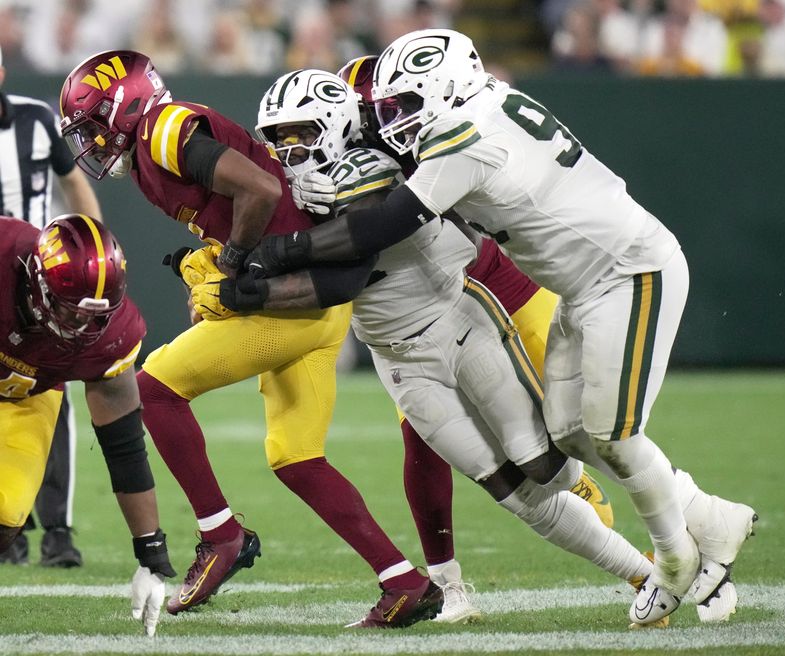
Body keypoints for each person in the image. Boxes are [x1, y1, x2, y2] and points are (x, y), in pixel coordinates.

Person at [241, 30, 758, 626]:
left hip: (625, 271)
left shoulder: (462, 141)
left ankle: (677, 562)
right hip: (573, 287)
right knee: (569, 432)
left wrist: (277, 255)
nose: (393, 122)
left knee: (609, 433)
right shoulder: (483, 104)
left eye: (405, 106)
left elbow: (384, 224)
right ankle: (708, 516)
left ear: (447, 90)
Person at [195, 68, 661, 620]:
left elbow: (347, 272)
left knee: (548, 467)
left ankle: (689, 520)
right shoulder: (291, 189)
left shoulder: (387, 164)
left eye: (300, 131)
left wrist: (259, 277)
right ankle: (645, 575)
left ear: (337, 120)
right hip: (398, 360)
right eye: (278, 136)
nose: (287, 149)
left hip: (460, 321)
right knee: (513, 492)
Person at [58, 50, 442, 628]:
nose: (89, 142)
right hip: (316, 304)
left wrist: (233, 266)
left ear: (126, 106)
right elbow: (252, 202)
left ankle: (221, 535)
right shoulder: (152, 148)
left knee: (154, 389)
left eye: (91, 126)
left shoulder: (165, 130)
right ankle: (404, 582)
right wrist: (216, 258)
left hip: (292, 302)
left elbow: (260, 190)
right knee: (296, 457)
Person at [337, 55, 614, 623]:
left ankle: (676, 518)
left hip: (501, 284)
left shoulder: (440, 128)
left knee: (592, 423)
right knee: (423, 442)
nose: (379, 120)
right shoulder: (347, 155)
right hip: (431, 303)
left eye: (386, 107)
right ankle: (448, 585)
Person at [0, 213, 176, 636]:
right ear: (38, 282)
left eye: (93, 315)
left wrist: (150, 551)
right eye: (68, 309)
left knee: (5, 515)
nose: (80, 326)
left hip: (23, 396)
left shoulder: (112, 334)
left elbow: (124, 447)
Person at [0, 44, 102, 567]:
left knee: (54, 397)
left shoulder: (36, 119)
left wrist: (94, 241)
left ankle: (56, 530)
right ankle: (9, 528)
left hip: (42, 281)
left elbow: (74, 185)